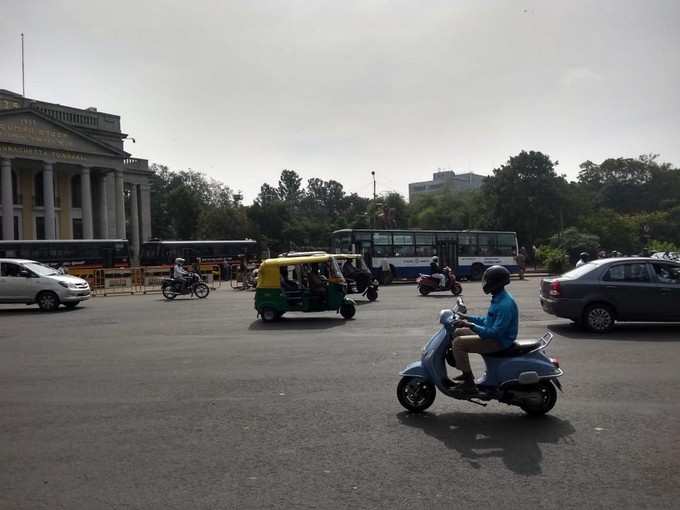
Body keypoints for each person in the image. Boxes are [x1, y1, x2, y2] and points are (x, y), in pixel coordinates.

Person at [448, 265, 518, 393]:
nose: (485, 283)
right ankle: (465, 372)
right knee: (458, 332)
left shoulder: (505, 304)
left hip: (499, 342)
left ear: (496, 282)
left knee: (458, 344)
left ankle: (469, 382)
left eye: (488, 280)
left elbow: (495, 333)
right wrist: (467, 318)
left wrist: (471, 325)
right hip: (494, 336)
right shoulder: (498, 298)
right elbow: (487, 321)